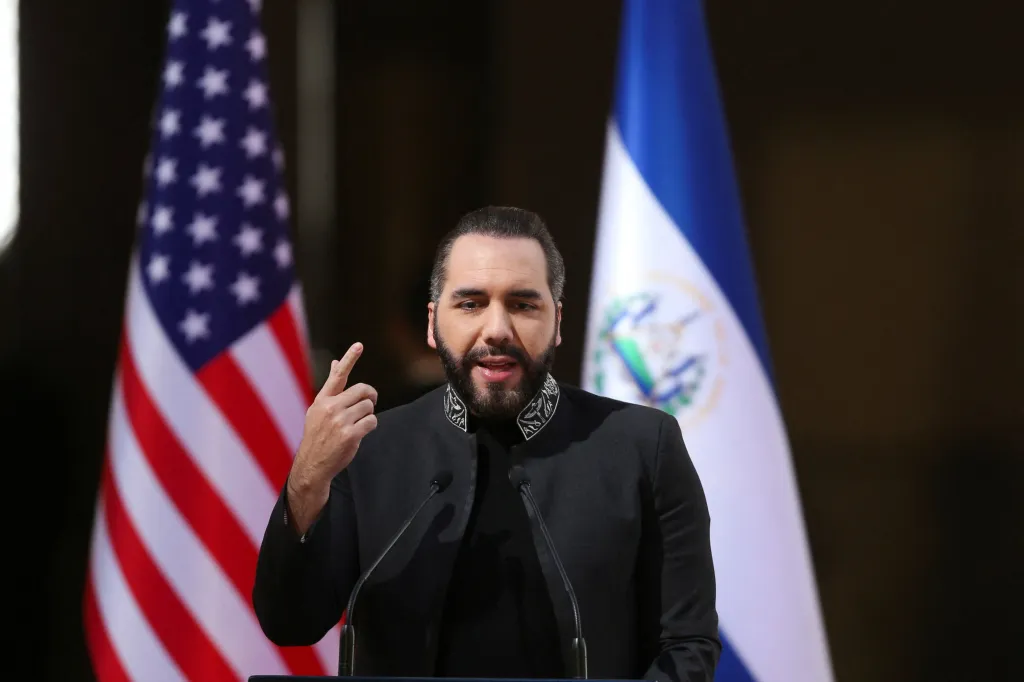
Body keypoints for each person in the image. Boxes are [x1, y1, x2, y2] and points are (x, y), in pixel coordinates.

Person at [252, 206, 721, 681]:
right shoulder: (372, 448)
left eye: (522, 304)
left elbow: (685, 645)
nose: (496, 329)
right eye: (471, 303)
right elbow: (290, 623)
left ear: (557, 321)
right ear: (434, 324)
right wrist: (307, 480)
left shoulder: (643, 447)